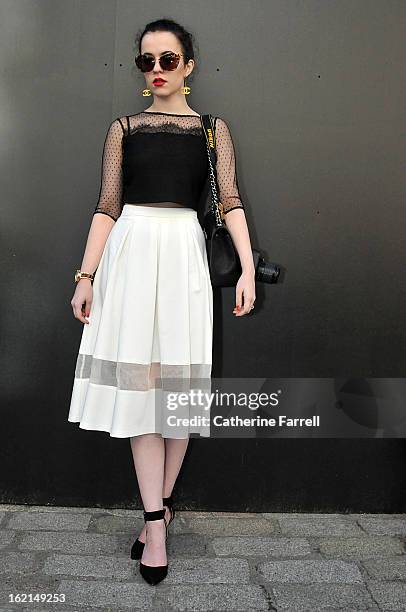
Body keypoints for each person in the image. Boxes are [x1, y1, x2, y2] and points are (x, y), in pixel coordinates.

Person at [68, 18, 256, 585]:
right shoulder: (123, 127)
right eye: (146, 61)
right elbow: (106, 206)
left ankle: (158, 510)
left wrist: (247, 267)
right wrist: (86, 274)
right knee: (143, 395)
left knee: (175, 398)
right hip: (131, 256)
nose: (156, 71)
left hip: (182, 261)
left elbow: (231, 203)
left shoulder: (212, 131)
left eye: (167, 60)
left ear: (189, 66)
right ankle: (155, 523)